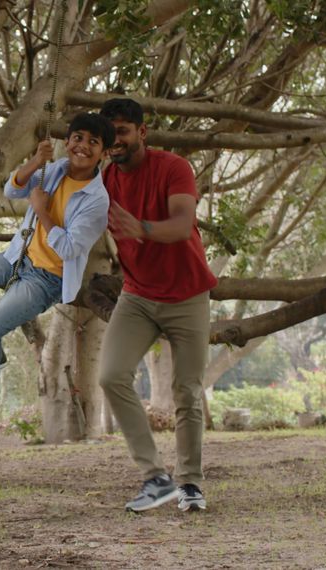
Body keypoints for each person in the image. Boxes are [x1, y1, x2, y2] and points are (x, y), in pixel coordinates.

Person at [0, 113, 114, 406]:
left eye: (93, 142)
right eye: (78, 138)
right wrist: (35, 162)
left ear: (104, 153)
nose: (83, 146)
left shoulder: (97, 201)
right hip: (17, 257)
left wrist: (42, 211)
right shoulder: (56, 169)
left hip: (46, 279)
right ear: (68, 141)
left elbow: (68, 249)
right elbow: (12, 189)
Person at [97, 98, 218, 513]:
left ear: (142, 133)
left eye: (123, 131)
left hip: (187, 294)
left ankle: (190, 483)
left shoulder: (173, 167)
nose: (116, 140)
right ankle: (156, 477)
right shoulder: (104, 179)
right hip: (138, 294)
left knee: (187, 390)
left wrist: (142, 228)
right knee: (111, 374)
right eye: (109, 133)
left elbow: (183, 225)